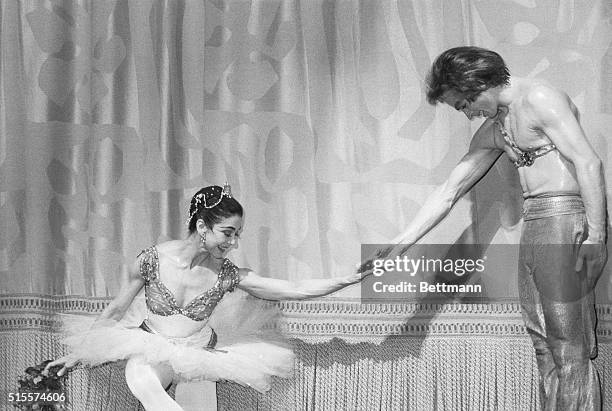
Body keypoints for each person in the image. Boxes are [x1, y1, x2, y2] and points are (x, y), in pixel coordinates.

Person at [369, 47, 607, 410]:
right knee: (542, 340)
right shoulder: (497, 128)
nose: (467, 114)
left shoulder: (540, 98)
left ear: (479, 83)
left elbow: (588, 162)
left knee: (567, 343)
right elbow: (450, 190)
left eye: (464, 104)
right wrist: (403, 240)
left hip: (565, 220)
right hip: (536, 224)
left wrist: (596, 237)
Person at [45, 183, 369, 411]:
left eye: (237, 235)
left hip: (198, 353)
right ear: (202, 226)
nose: (234, 243)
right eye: (228, 233)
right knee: (142, 379)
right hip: (152, 346)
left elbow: (294, 289)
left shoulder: (227, 274)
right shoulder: (152, 260)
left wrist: (350, 277)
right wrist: (77, 354)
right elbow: (116, 310)